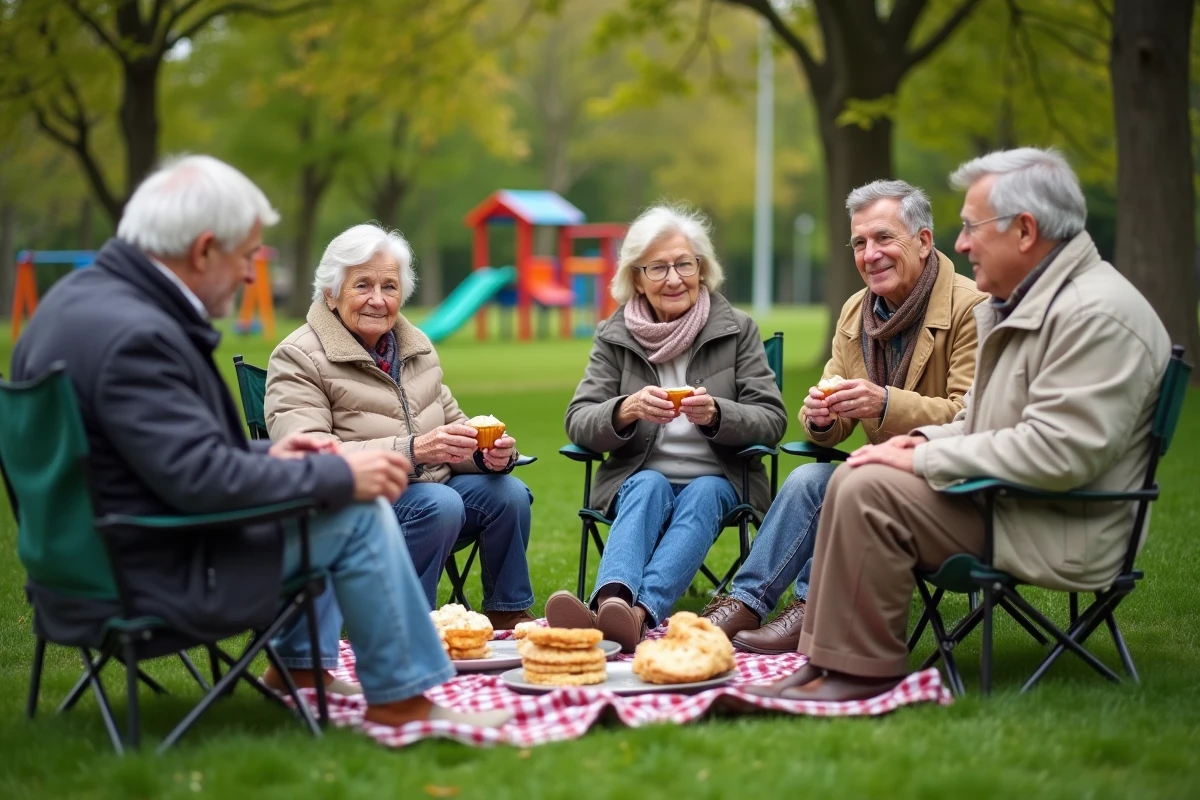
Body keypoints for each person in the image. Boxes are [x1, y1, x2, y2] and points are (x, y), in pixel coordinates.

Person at [11, 155, 510, 729]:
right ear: (203, 251)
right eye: (247, 255)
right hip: (147, 573)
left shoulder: (72, 307)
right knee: (352, 509)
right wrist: (337, 476)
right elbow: (200, 482)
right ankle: (402, 698)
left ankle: (300, 667)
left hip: (80, 565)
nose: (251, 275)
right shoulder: (138, 336)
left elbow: (160, 456)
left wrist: (273, 454)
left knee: (327, 491)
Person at [749, 147, 1172, 701]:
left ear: (1025, 230)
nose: (963, 242)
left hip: (1062, 519)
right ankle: (827, 659)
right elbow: (977, 418)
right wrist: (908, 444)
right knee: (856, 472)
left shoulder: (1095, 314)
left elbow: (1063, 452)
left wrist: (916, 455)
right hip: (1011, 499)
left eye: (972, 227)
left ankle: (863, 671)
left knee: (869, 486)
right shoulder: (1027, 304)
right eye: (859, 242)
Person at [701, 180, 987, 654]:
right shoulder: (858, 311)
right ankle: (744, 602)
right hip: (881, 475)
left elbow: (970, 415)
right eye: (859, 243)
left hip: (951, 486)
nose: (869, 254)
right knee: (808, 478)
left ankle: (811, 608)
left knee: (846, 482)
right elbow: (834, 420)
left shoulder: (970, 309)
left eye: (883, 238)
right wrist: (819, 416)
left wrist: (886, 404)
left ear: (923, 241)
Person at [265, 223, 534, 630]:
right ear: (330, 294)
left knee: (508, 492)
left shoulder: (415, 347)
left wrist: (487, 455)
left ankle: (508, 612)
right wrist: (412, 450)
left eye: (389, 287)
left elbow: (452, 425)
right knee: (439, 504)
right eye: (362, 286)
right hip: (349, 502)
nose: (378, 300)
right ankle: (405, 629)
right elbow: (310, 457)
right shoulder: (298, 357)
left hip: (428, 491)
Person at [545, 204, 788, 653]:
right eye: (658, 267)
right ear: (637, 278)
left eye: (684, 264)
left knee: (702, 492)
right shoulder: (614, 336)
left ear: (702, 269)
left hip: (721, 477)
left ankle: (629, 615)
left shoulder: (737, 329)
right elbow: (578, 421)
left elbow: (772, 419)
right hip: (636, 476)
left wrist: (718, 413)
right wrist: (625, 409)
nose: (674, 278)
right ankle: (616, 603)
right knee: (649, 484)